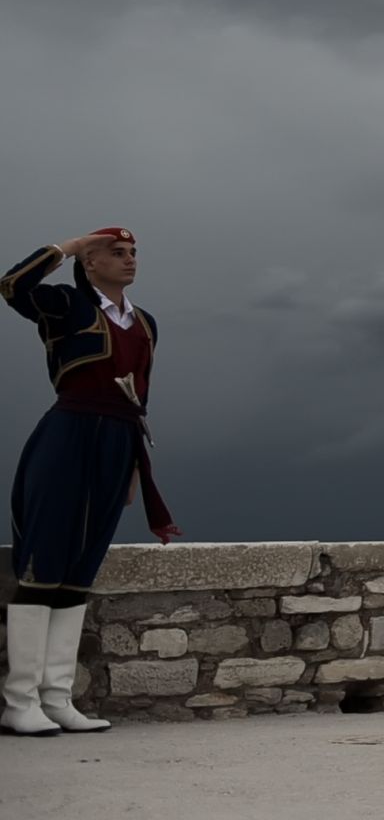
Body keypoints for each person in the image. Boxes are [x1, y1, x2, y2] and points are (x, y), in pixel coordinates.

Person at [3, 227, 181, 738]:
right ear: (91, 263)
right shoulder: (65, 304)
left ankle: (57, 698)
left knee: (81, 568)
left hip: (118, 441)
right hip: (68, 433)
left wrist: (129, 467)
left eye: (133, 254)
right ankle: (20, 700)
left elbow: (138, 396)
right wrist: (70, 247)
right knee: (43, 563)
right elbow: (11, 286)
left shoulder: (145, 323)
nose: (129, 261)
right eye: (116, 254)